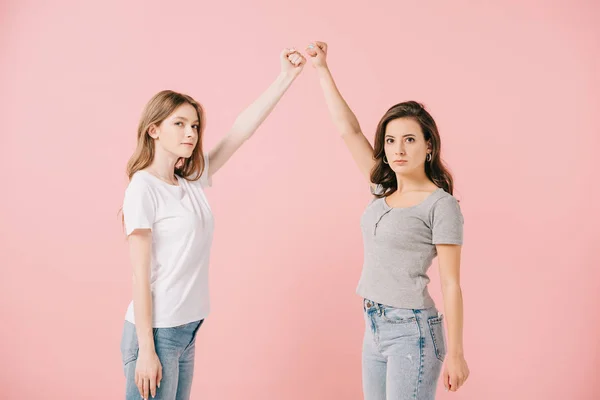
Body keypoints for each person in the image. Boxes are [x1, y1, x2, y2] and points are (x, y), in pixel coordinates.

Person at [119, 48, 307, 400]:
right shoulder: (143, 188)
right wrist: (146, 349)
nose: (190, 132)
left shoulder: (190, 182)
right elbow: (139, 276)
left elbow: (240, 131)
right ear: (154, 130)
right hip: (156, 333)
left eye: (194, 126)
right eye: (179, 124)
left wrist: (286, 77)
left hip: (186, 330)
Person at [306, 41, 469, 399]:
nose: (398, 149)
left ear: (429, 147)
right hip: (374, 324)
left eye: (409, 140)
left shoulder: (440, 206)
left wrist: (456, 354)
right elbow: (349, 130)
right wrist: (322, 70)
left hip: (413, 331)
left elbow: (451, 284)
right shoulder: (382, 188)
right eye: (391, 140)